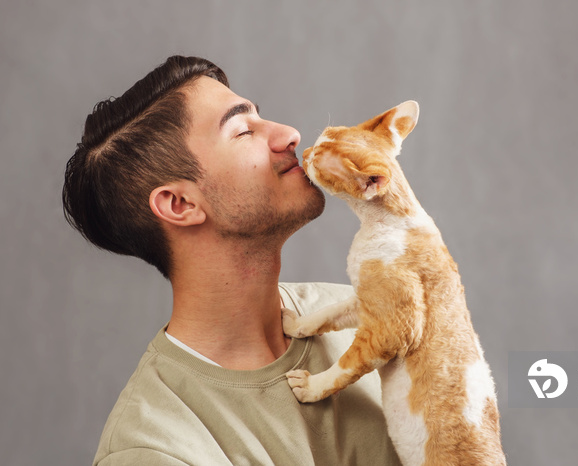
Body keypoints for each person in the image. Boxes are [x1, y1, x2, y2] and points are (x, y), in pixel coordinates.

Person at [63, 55, 401, 465]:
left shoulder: (368, 319)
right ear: (180, 204)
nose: (290, 134)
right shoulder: (153, 446)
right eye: (242, 131)